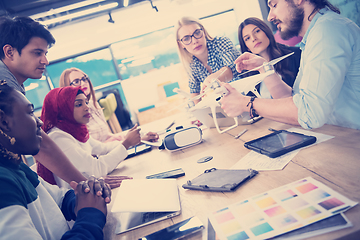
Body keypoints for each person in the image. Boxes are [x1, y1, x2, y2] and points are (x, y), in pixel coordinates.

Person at [220, 0, 360, 130]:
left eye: (274, 5)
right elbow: (294, 100)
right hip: (340, 136)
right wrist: (264, 67)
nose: (270, 17)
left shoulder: (327, 31)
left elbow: (308, 113)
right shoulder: (313, 37)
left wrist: (246, 103)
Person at [0, 81, 108, 239]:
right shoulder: (3, 183)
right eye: (30, 113)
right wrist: (90, 217)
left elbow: (57, 199)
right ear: (3, 121)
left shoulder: (18, 168)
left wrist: (81, 198)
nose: (40, 122)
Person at [0, 16, 92, 187]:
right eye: (37, 53)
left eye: (45, 53)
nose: (45, 61)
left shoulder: (12, 83)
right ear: (9, 52)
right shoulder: (4, 86)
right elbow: (42, 145)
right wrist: (85, 184)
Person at [37, 86, 140, 189]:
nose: (87, 107)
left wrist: (136, 140)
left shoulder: (74, 130)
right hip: (77, 200)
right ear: (62, 109)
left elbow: (104, 149)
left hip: (90, 192)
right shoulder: (58, 138)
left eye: (86, 102)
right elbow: (96, 169)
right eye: (78, 104)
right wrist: (126, 144)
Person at [59, 67, 159, 143]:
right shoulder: (72, 117)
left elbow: (107, 136)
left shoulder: (93, 105)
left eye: (84, 79)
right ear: (67, 88)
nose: (83, 83)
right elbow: (96, 150)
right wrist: (134, 141)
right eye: (76, 81)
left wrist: (139, 136)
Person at [175, 16, 242, 103]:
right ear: (181, 44)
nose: (194, 40)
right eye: (186, 38)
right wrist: (200, 113)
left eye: (197, 32)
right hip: (228, 104)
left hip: (248, 95)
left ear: (204, 31)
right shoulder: (191, 64)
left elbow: (232, 70)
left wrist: (210, 79)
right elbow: (194, 91)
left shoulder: (221, 43)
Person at [238, 17, 301, 96]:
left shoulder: (296, 55)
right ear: (247, 47)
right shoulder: (247, 74)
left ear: (266, 31)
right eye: (247, 38)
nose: (254, 38)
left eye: (257, 31)